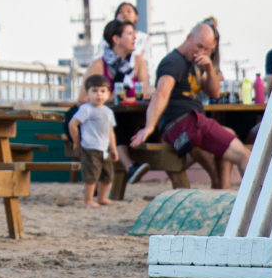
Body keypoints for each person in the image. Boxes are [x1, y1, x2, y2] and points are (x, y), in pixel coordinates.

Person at [127, 22, 250, 190]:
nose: (201, 52)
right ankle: (254, 202)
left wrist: (209, 68)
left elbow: (214, 93)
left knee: (228, 135)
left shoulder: (197, 63)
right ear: (188, 38)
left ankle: (223, 188)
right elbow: (161, 94)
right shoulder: (173, 62)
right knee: (245, 155)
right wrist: (149, 127)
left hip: (190, 126)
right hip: (186, 122)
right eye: (199, 46)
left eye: (207, 49)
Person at [70, 74, 119, 206]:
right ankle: (89, 200)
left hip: (104, 149)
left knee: (107, 175)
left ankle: (102, 198)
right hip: (90, 148)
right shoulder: (86, 109)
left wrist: (113, 149)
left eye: (103, 91)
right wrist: (76, 141)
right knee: (91, 176)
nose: (99, 95)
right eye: (95, 91)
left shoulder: (108, 112)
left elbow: (110, 131)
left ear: (108, 94)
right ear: (88, 93)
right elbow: (73, 124)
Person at [94, 17, 138, 90]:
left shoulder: (138, 61)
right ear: (116, 39)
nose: (135, 37)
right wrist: (111, 98)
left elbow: (143, 95)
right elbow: (82, 98)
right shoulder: (99, 65)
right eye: (130, 34)